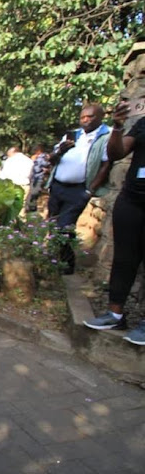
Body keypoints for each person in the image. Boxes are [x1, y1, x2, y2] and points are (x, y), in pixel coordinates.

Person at [83, 103, 145, 345]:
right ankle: (115, 314)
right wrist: (118, 128)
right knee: (123, 259)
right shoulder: (142, 124)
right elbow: (118, 153)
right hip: (132, 199)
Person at [46, 104, 111, 274]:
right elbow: (51, 160)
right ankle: (55, 258)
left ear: (100, 117)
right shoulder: (72, 135)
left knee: (64, 227)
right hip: (58, 186)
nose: (86, 120)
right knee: (53, 224)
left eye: (90, 117)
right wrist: (60, 150)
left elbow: (106, 165)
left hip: (78, 190)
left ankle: (66, 267)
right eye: (83, 117)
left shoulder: (105, 136)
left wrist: (90, 190)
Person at [25, 144, 50, 212]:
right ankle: (30, 207)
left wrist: (33, 160)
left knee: (34, 193)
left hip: (38, 178)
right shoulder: (39, 157)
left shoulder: (43, 157)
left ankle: (31, 208)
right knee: (32, 193)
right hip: (35, 177)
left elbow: (44, 165)